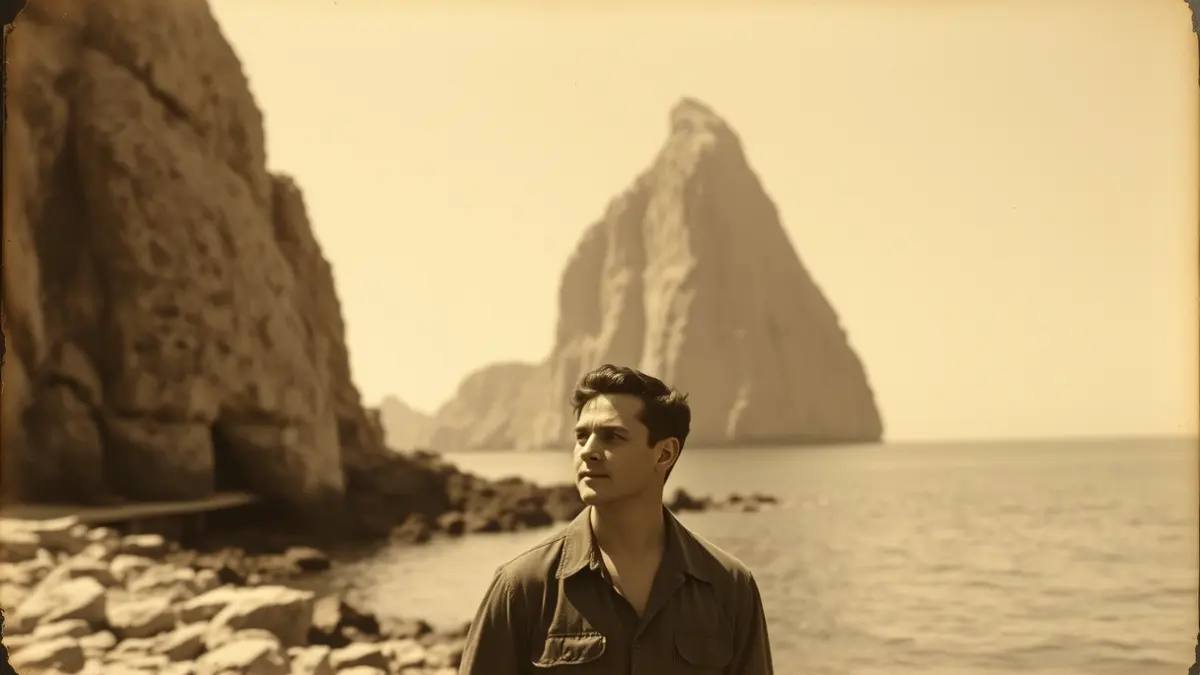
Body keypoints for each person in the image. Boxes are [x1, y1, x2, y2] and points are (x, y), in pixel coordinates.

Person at [459, 364, 774, 674]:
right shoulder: (522, 587)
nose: (588, 451)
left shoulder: (729, 586)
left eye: (612, 437)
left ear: (664, 454)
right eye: (582, 437)